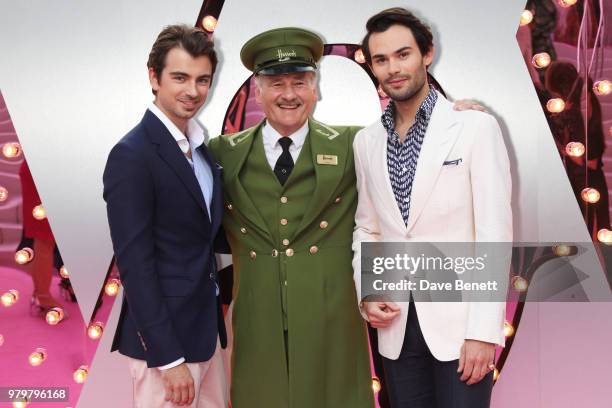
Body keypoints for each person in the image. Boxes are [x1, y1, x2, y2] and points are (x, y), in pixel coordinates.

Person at [352, 8, 511, 408]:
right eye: (381, 60)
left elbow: (494, 233)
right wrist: (369, 291)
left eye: (403, 54)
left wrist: (482, 332)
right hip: (396, 329)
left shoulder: (476, 128)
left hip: (461, 330)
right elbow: (368, 228)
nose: (393, 68)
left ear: (427, 54)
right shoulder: (366, 142)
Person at [103, 25, 227, 408]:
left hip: (207, 336)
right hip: (167, 351)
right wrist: (168, 358)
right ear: (154, 77)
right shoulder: (132, 155)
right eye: (180, 77)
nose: (192, 91)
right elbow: (135, 265)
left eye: (203, 80)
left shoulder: (203, 150)